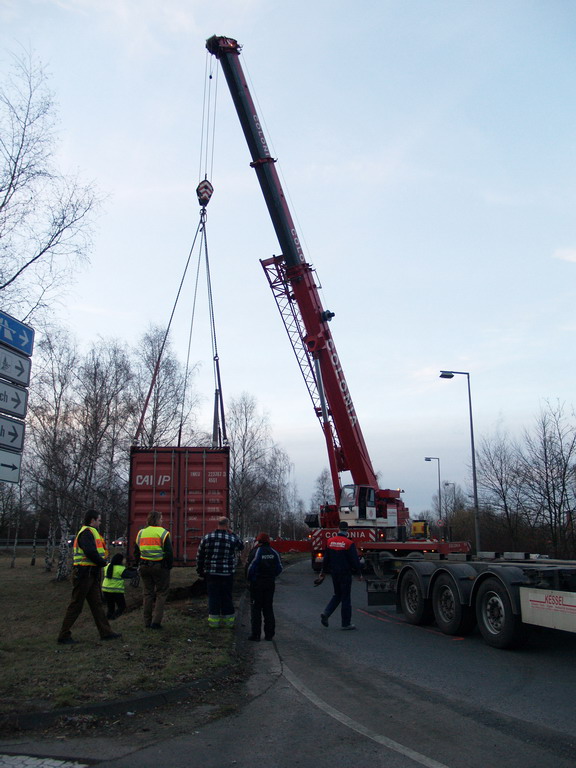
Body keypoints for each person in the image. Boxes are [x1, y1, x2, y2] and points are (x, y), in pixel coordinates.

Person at [57, 510, 122, 644]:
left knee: (97, 604)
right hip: (84, 574)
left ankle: (106, 632)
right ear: (92, 520)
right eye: (99, 519)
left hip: (90, 573)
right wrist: (103, 563)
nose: (100, 522)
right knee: (76, 604)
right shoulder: (87, 533)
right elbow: (90, 551)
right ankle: (63, 635)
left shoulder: (91, 533)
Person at [196, 517, 244, 628]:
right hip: (227, 573)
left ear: (217, 525)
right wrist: (234, 534)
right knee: (227, 596)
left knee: (213, 596)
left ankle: (214, 623)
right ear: (227, 526)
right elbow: (241, 546)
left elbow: (200, 556)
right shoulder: (231, 538)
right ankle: (228, 622)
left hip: (212, 573)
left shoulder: (207, 537)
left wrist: (200, 570)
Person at [317, 520, 363, 630]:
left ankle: (326, 613)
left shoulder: (330, 541)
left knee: (337, 594)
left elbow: (326, 559)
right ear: (347, 530)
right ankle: (346, 623)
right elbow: (354, 560)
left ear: (338, 529)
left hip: (334, 573)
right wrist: (359, 573)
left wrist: (323, 572)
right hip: (345, 573)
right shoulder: (348, 543)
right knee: (346, 598)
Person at [134, 510, 173, 629]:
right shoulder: (163, 533)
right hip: (159, 566)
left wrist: (138, 564)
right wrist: (168, 566)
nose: (162, 520)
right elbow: (169, 552)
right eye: (161, 518)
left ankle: (146, 622)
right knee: (161, 593)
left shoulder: (141, 533)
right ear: (157, 520)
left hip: (144, 566)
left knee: (147, 594)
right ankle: (156, 622)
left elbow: (136, 551)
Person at [246, 532, 283, 641]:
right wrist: (271, 576)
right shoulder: (274, 552)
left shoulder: (256, 552)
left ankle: (256, 634)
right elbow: (279, 568)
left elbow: (250, 568)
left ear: (259, 541)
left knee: (256, 609)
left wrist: (249, 580)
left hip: (257, 584)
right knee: (268, 608)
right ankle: (269, 635)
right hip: (269, 583)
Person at [101, 552, 137, 620]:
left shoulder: (108, 566)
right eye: (124, 559)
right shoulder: (121, 569)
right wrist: (137, 571)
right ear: (120, 560)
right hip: (116, 590)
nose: (125, 560)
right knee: (122, 606)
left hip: (106, 590)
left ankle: (108, 618)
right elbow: (130, 575)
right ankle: (114, 618)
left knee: (110, 607)